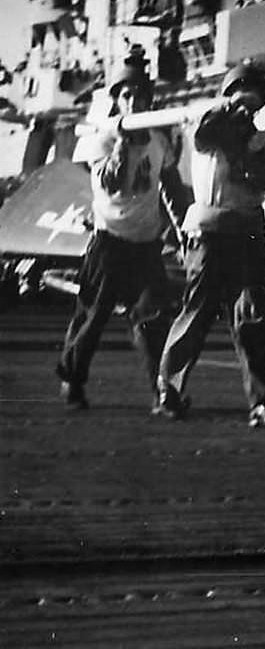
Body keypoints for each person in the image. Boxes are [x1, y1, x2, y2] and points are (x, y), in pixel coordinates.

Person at [153, 63, 265, 427]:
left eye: (254, 103)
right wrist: (229, 111)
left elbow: (262, 178)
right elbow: (204, 134)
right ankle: (169, 390)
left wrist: (243, 144)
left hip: (247, 233)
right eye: (242, 98)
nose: (247, 109)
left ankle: (261, 403)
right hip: (209, 232)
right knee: (196, 312)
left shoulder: (262, 140)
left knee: (252, 318)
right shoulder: (209, 125)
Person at [56, 62, 190, 409]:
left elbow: (172, 188)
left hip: (146, 243)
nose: (134, 101)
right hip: (109, 241)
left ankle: (163, 392)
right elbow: (112, 185)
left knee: (153, 318)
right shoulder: (102, 138)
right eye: (127, 96)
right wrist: (123, 145)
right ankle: (72, 379)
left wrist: (185, 229)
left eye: (140, 96)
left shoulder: (159, 139)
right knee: (92, 316)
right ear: (117, 101)